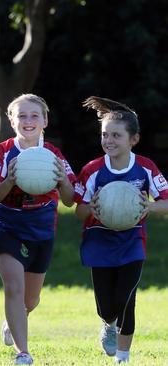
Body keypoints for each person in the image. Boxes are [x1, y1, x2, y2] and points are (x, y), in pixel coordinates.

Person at [75, 97, 168, 364]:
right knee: (107, 307)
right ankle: (108, 324)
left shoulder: (145, 168)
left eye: (116, 135)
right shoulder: (93, 170)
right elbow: (79, 210)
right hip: (99, 240)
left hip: (132, 241)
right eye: (105, 135)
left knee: (127, 298)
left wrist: (149, 207)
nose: (109, 140)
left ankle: (123, 357)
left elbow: (166, 201)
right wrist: (91, 207)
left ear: (133, 139)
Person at [0, 94, 75, 365]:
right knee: (13, 287)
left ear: (44, 120)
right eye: (21, 116)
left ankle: (12, 321)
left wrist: (61, 179)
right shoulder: (2, 152)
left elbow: (70, 200)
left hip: (41, 229)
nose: (28, 121)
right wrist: (10, 179)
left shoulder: (54, 156)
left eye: (34, 115)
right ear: (11, 121)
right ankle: (23, 353)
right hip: (7, 226)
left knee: (31, 299)